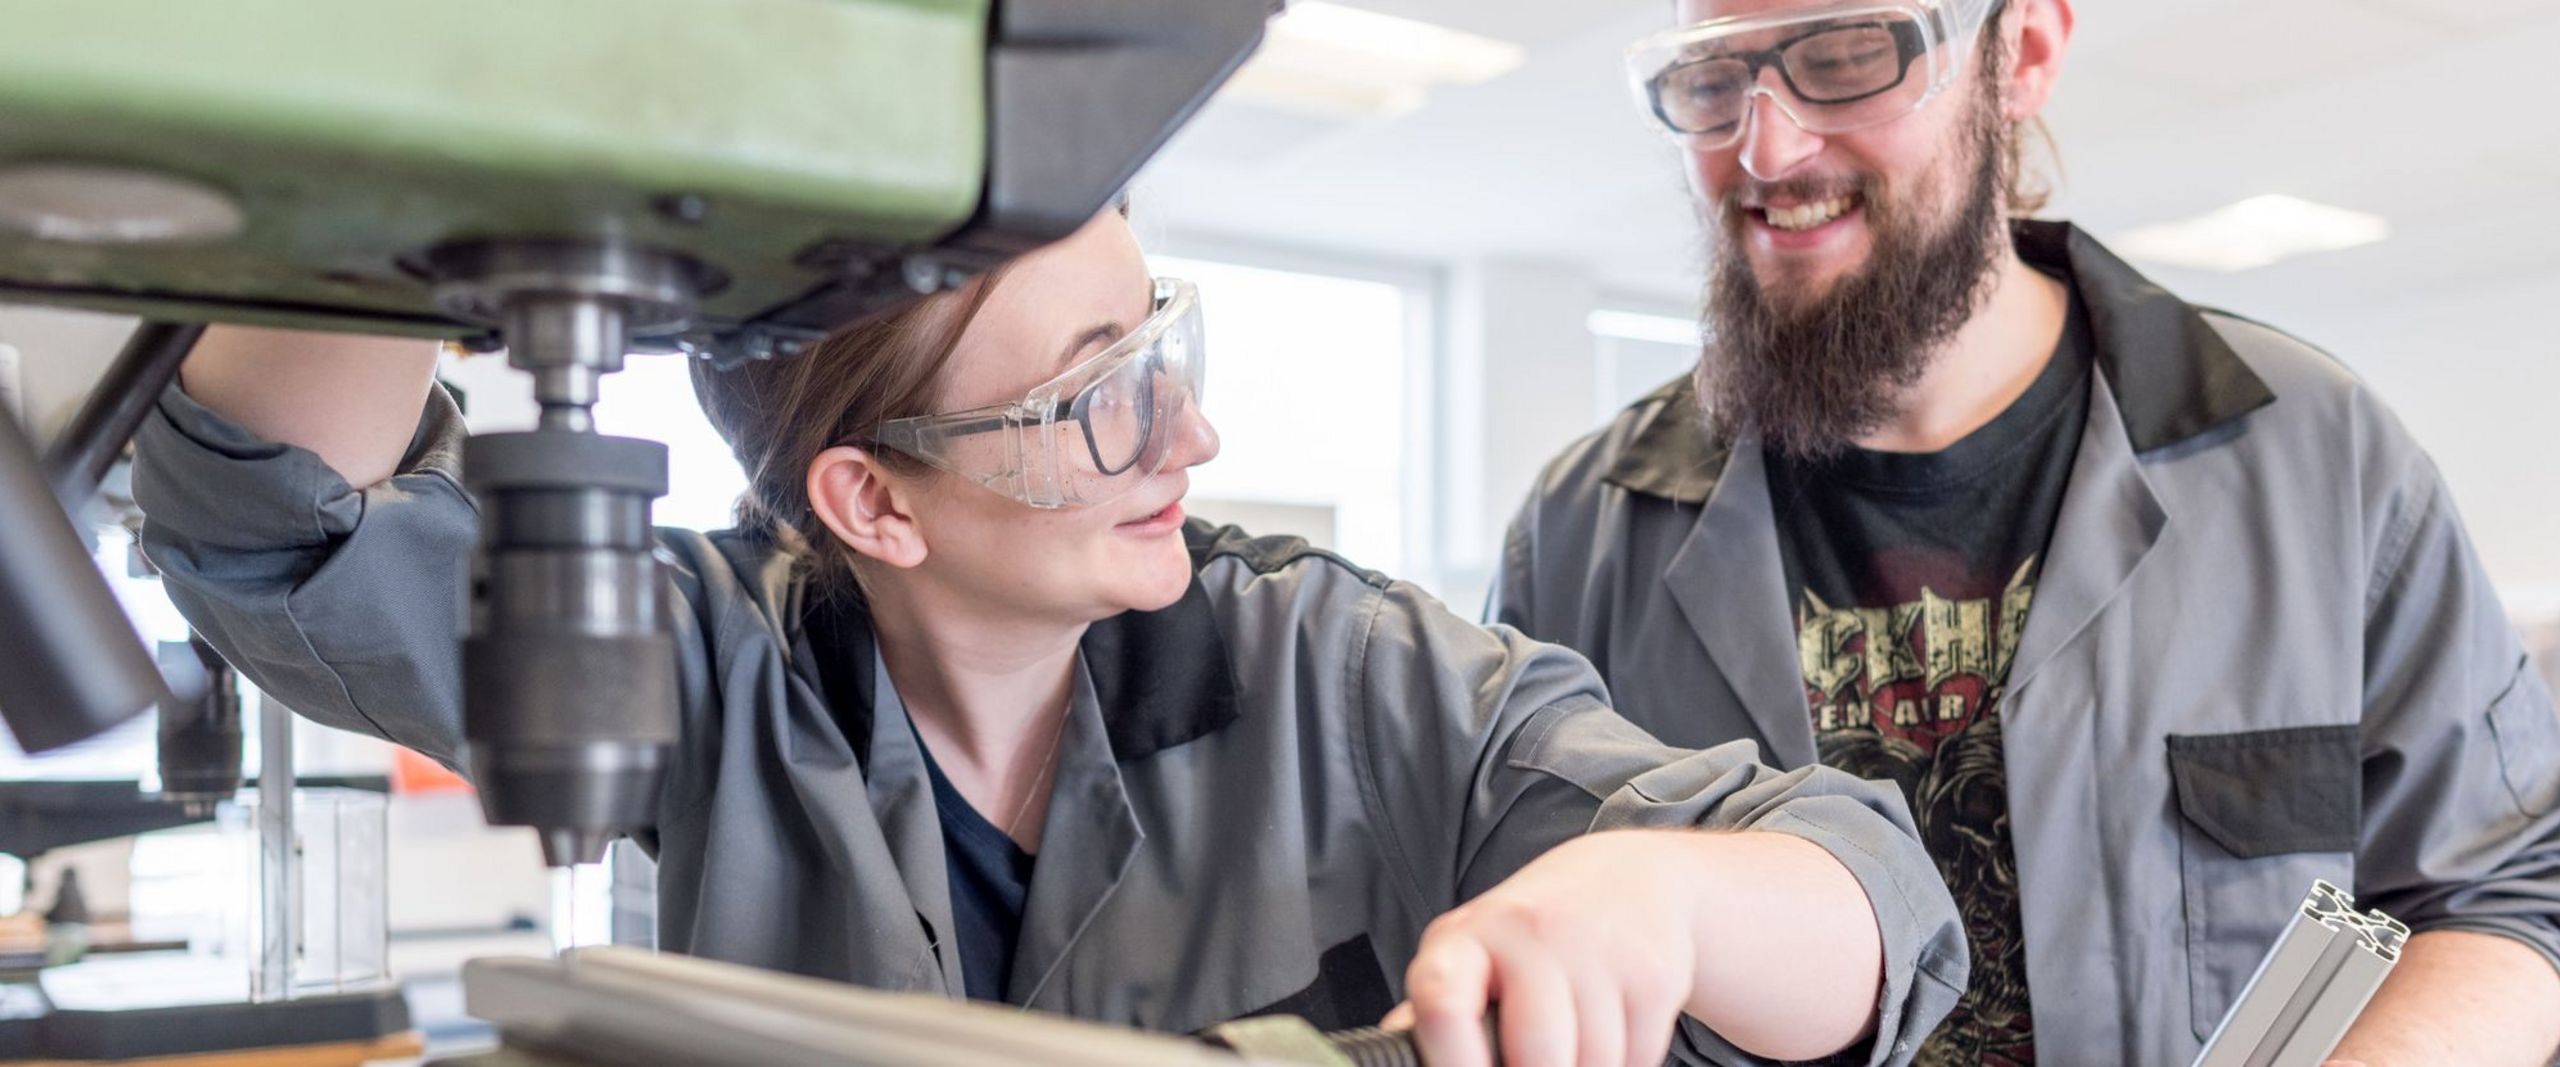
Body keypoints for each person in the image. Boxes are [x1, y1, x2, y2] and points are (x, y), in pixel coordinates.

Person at [135, 210, 1965, 1066]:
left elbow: (1869, 896)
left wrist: (1657, 901)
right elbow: (264, 512)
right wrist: (437, 167)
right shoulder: (704, 662)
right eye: (1102, 402)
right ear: (875, 506)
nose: (1190, 441)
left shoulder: (1351, 674)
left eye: (1164, 353)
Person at [1495, 0, 2560, 1062]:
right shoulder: (1581, 531)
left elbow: (2504, 894)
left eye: (1846, 56)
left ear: (2023, 58)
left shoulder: (2316, 456)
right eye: (1712, 80)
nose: (1764, 147)